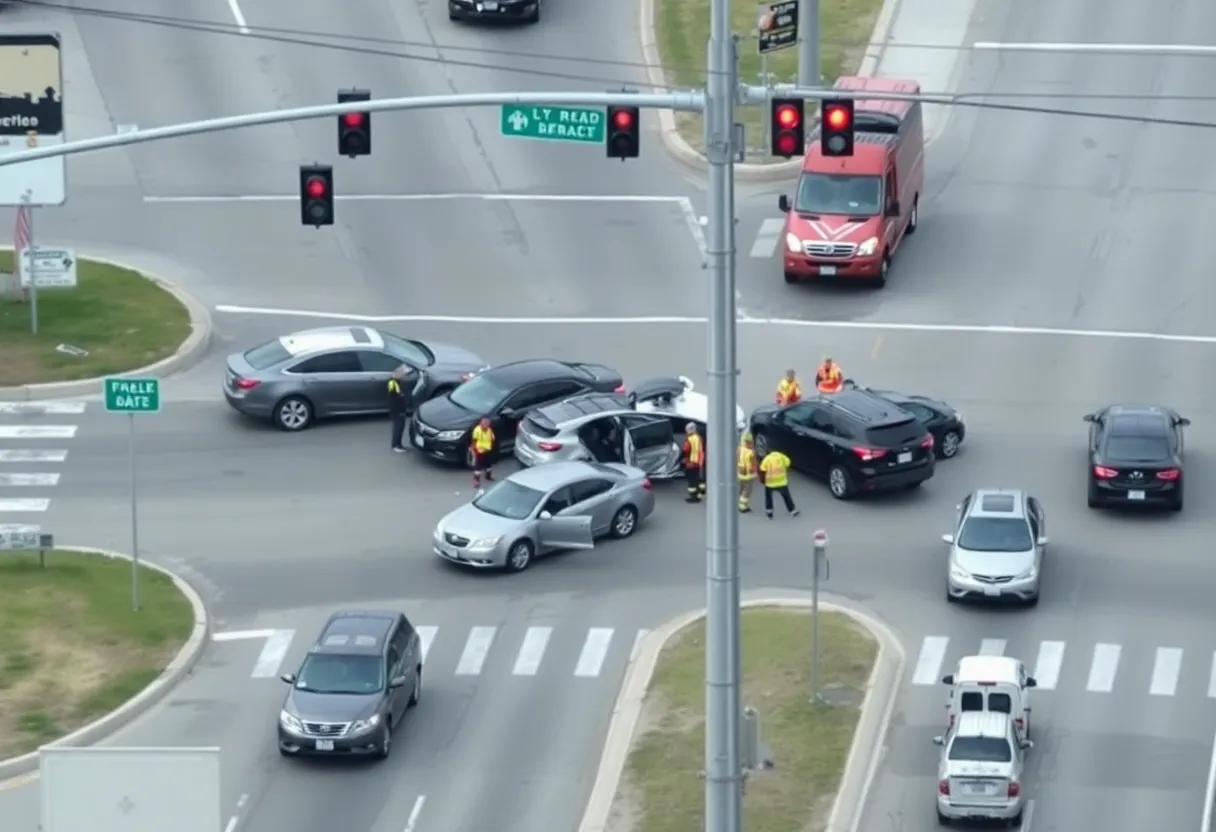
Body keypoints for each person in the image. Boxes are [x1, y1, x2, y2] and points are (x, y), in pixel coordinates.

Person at [758, 448, 799, 519]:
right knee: (786, 497)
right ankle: (792, 511)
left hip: (770, 483)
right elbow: (788, 463)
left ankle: (769, 512)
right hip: (782, 482)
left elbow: (762, 469)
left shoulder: (767, 458)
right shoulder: (782, 456)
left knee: (769, 498)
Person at [387, 366, 410, 452]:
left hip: (399, 409)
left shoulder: (397, 382)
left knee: (400, 427)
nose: (403, 375)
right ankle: (396, 445)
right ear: (395, 373)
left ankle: (398, 444)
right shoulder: (392, 383)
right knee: (398, 427)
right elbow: (395, 397)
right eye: (401, 373)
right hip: (397, 409)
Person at [682, 422, 706, 503]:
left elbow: (685, 450)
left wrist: (682, 459)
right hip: (698, 461)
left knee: (691, 481)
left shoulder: (689, 439)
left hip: (690, 462)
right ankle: (699, 495)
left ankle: (693, 497)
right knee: (697, 479)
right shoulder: (698, 437)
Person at [470, 417, 496, 489]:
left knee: (488, 465)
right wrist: (474, 449)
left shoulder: (489, 430)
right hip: (479, 450)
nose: (485, 425)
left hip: (487, 450)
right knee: (478, 466)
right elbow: (474, 440)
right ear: (481, 423)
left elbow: (492, 439)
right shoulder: (477, 430)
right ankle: (476, 481)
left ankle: (488, 477)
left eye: (487, 423)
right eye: (484, 423)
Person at [737, 432, 758, 513]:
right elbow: (753, 464)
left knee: (742, 488)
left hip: (740, 472)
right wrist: (755, 474)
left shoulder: (739, 449)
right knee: (747, 490)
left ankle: (741, 502)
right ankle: (743, 507)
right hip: (748, 474)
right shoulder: (751, 453)